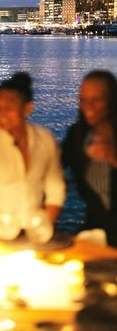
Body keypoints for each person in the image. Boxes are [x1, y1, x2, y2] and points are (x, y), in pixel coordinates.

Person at [0, 72, 65, 240]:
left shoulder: (45, 140)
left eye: (9, 107)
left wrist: (45, 224)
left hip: (38, 234)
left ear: (27, 108)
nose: (0, 113)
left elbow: (55, 187)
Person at [62, 70, 117, 247]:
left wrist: (113, 157)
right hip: (98, 231)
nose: (89, 106)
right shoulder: (77, 136)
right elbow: (53, 166)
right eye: (83, 100)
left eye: (97, 100)